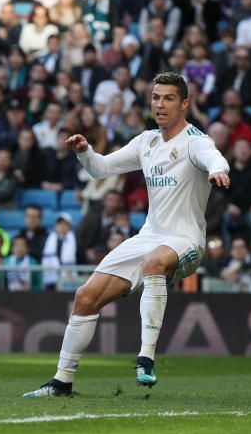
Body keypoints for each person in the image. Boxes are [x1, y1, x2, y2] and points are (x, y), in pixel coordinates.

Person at [24, 73, 230, 397]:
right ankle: (61, 382)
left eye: (169, 98)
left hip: (185, 240)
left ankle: (145, 357)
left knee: (154, 262)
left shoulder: (195, 141)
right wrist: (84, 151)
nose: (160, 104)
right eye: (156, 97)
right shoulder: (145, 142)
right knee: (85, 297)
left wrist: (219, 169)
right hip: (149, 235)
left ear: (185, 103)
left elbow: (212, 156)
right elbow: (101, 168)